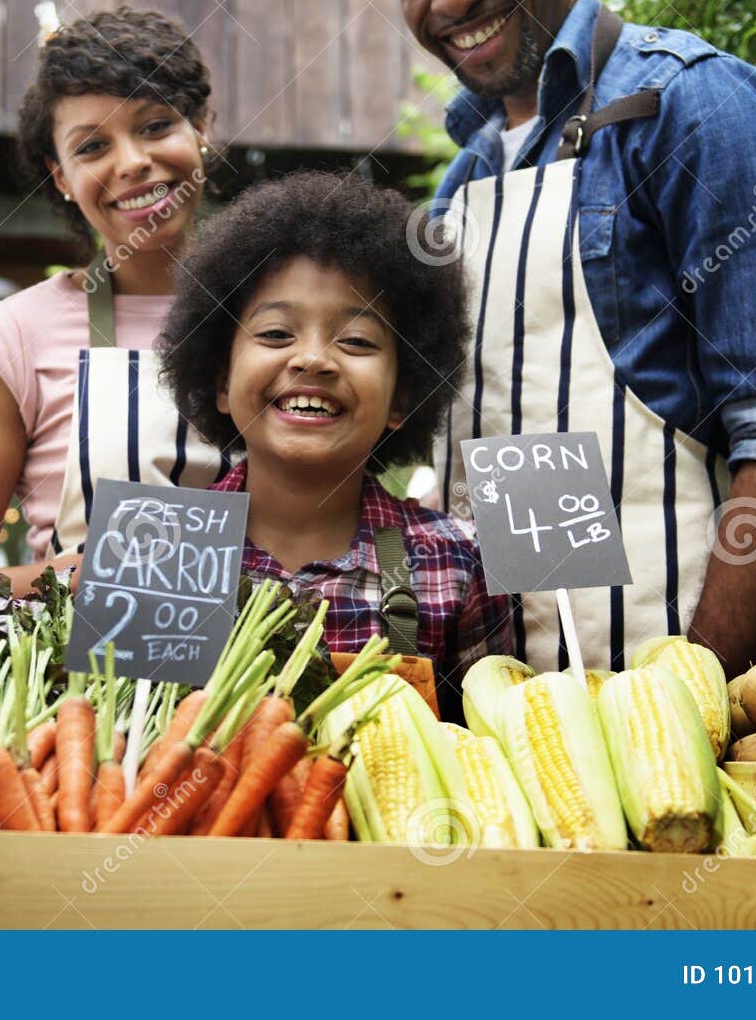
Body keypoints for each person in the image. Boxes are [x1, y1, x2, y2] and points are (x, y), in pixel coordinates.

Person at [373, 0, 756, 675]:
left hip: (680, 704)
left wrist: (690, 694)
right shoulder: (462, 188)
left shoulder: (694, 106)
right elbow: (518, 452)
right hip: (508, 717)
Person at [157, 171, 515, 718]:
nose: (313, 360)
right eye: (276, 334)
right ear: (221, 382)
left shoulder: (459, 563)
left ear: (403, 397)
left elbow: (490, 755)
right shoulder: (155, 551)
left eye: (355, 341)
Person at [0, 8, 228, 602]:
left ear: (202, 127)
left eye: (157, 125)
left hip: (281, 681)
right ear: (60, 175)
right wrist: (92, 576)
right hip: (87, 684)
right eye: (92, 146)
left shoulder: (284, 312)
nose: (131, 161)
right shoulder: (10, 338)